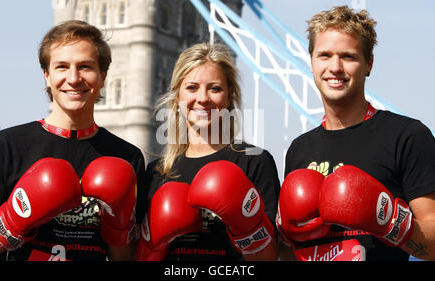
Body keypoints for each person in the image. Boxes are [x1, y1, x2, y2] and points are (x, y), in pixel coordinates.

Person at [276, 6, 435, 261]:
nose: (335, 67)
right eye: (324, 55)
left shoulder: (407, 136)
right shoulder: (299, 149)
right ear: (312, 62)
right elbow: (289, 255)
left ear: (369, 64)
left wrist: (390, 222)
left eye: (348, 56)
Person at [0, 20, 145, 261]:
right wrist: (14, 219)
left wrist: (119, 227)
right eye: (62, 67)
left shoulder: (127, 157)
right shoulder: (8, 145)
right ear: (47, 76)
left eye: (85, 67)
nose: (73, 78)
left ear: (102, 76)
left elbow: (127, 258)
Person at [136, 43, 280, 261]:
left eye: (214, 88)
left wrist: (248, 228)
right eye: (192, 88)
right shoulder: (157, 172)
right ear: (177, 97)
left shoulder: (254, 161)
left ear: (229, 96)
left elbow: (271, 257)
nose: (203, 99)